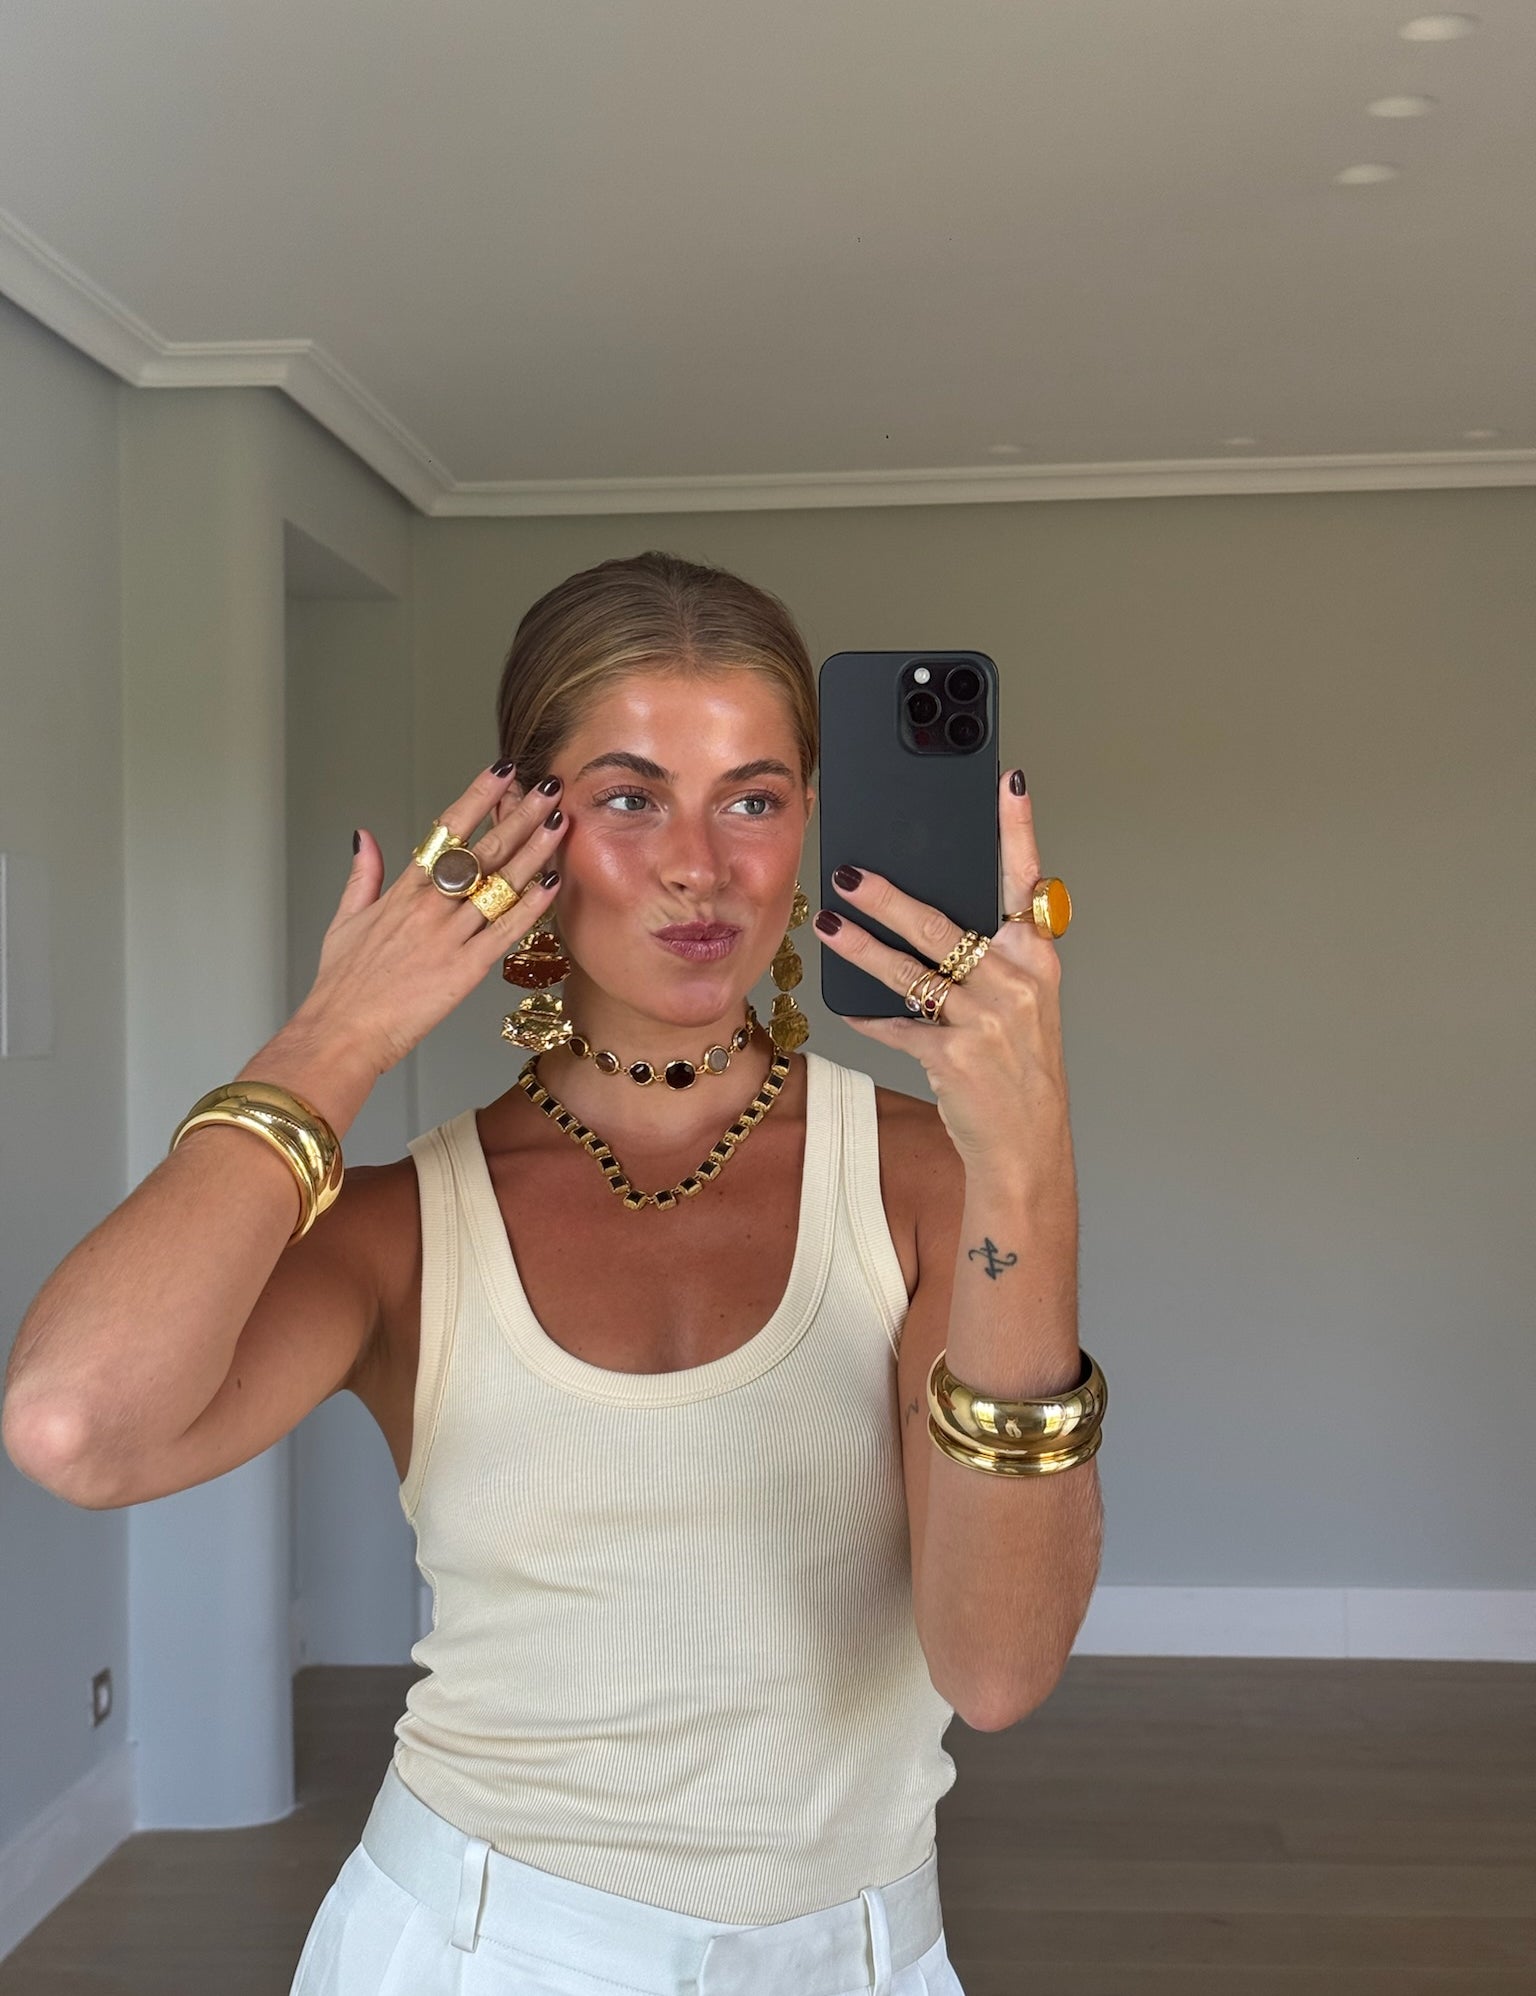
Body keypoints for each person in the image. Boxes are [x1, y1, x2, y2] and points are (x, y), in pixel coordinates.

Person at [2, 550, 1102, 1996]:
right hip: (465, 1949)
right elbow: (76, 1424)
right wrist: (338, 1037)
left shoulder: (927, 1182)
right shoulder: (402, 1227)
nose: (700, 864)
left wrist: (1029, 1159)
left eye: (754, 798)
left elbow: (998, 1670)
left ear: (809, 824)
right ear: (526, 827)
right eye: (631, 797)